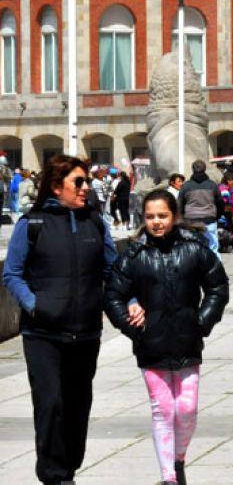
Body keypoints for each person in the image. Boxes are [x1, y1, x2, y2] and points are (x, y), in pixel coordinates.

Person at [2, 155, 118, 485]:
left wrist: (131, 301)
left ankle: (69, 468)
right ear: (56, 186)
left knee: (78, 405)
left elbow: (113, 270)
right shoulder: (33, 223)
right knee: (50, 402)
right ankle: (53, 476)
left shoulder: (95, 223)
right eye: (78, 182)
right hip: (43, 335)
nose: (86, 188)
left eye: (85, 182)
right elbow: (12, 274)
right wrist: (35, 305)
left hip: (86, 333)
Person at [103, 189, 228, 485]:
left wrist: (201, 321)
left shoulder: (194, 249)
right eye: (150, 217)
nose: (156, 222)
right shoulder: (134, 254)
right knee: (163, 409)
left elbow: (217, 287)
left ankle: (179, 457)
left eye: (162, 216)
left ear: (175, 216)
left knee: (186, 408)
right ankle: (168, 476)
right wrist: (132, 326)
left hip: (188, 339)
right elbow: (112, 296)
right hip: (151, 344)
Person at [178, 160, 225, 255]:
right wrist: (218, 216)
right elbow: (220, 202)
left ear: (192, 170)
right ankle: (215, 266)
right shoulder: (212, 185)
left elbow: (180, 204)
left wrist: (182, 218)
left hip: (190, 221)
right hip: (209, 220)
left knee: (191, 247)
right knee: (213, 248)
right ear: (205, 169)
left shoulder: (186, 186)